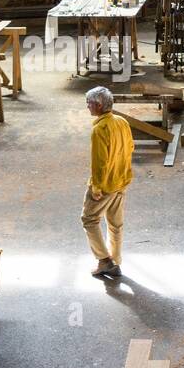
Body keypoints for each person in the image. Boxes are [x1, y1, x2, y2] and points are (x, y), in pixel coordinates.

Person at [82, 85, 133, 279]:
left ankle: (104, 261)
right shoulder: (121, 122)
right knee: (115, 223)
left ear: (99, 104)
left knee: (89, 219)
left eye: (89, 103)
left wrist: (96, 187)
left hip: (105, 185)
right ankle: (116, 259)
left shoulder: (100, 129)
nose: (88, 107)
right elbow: (129, 148)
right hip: (121, 181)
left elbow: (100, 162)